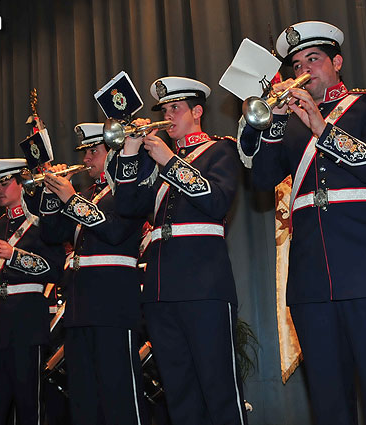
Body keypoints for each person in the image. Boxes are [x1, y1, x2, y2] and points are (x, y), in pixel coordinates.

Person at [238, 20, 366, 425]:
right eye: (297, 64)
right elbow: (262, 179)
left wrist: (322, 128)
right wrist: (276, 124)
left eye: (314, 59)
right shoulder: (288, 122)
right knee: (327, 399)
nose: (304, 70)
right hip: (311, 279)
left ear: (336, 62)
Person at [113, 77, 247, 425]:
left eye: (175, 108)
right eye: (164, 110)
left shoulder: (221, 149)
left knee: (218, 387)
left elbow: (216, 202)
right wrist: (130, 151)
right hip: (160, 289)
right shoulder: (157, 160)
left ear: (197, 111)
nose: (168, 116)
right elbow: (127, 206)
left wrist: (169, 162)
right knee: (178, 390)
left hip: (204, 286)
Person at [39, 123, 149, 425]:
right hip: (79, 307)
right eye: (86, 152)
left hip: (113, 306)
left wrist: (72, 199)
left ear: (113, 152)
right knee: (85, 399)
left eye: (93, 151)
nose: (86, 159)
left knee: (120, 395)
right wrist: (52, 194)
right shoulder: (88, 194)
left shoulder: (128, 190)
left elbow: (114, 232)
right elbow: (51, 234)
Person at [0, 158, 64, 425]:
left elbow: (54, 270)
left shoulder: (41, 224)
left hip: (26, 321)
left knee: (27, 401)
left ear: (23, 184)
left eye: (4, 183)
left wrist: (15, 255)